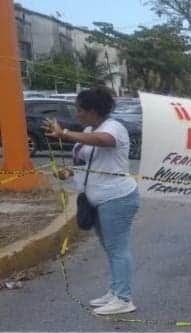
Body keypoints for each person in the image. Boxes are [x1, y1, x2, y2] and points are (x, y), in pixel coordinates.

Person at [45, 86, 139, 316]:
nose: (77, 114)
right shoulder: (89, 128)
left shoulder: (113, 128)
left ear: (93, 110)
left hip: (116, 198)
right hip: (96, 198)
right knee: (110, 248)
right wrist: (69, 173)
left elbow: (104, 141)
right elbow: (89, 163)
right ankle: (115, 291)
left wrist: (64, 133)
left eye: (80, 110)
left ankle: (124, 298)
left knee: (118, 249)